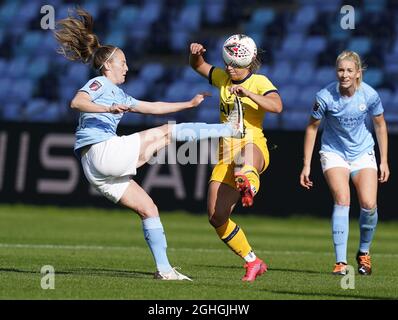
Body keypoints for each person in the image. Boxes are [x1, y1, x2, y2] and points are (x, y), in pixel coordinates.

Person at [54, 8, 244, 281]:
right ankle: (228, 129)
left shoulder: (118, 92)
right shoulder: (99, 83)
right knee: (167, 134)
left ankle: (164, 270)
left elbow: (152, 107)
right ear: (108, 65)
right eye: (123, 62)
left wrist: (188, 104)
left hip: (95, 169)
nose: (127, 67)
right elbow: (77, 102)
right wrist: (107, 108)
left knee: (149, 208)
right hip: (102, 151)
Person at [189, 34, 283, 281]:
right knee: (216, 216)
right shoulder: (222, 78)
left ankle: (249, 184)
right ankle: (253, 261)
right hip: (225, 154)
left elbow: (277, 105)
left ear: (249, 64)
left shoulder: (260, 82)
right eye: (227, 62)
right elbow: (198, 66)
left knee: (244, 163)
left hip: (253, 145)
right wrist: (196, 54)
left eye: (235, 65)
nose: (229, 68)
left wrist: (249, 94)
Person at [300, 51, 390, 276]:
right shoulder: (325, 96)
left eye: (349, 70)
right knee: (343, 200)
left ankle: (363, 253)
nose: (344, 74)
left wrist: (384, 161)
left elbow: (380, 125)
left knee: (369, 204)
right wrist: (307, 164)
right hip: (334, 152)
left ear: (358, 73)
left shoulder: (369, 95)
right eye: (341, 70)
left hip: (362, 152)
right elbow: (312, 127)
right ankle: (341, 262)